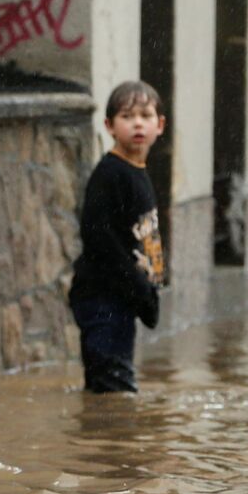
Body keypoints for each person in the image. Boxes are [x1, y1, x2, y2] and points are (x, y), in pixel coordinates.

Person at [68, 81, 167, 393]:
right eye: (127, 116)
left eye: (145, 115)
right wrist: (140, 290)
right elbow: (98, 239)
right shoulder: (110, 174)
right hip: (102, 298)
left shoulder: (138, 172)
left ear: (160, 125)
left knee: (113, 386)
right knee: (113, 389)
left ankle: (108, 436)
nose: (137, 123)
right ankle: (109, 441)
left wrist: (149, 289)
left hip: (121, 298)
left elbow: (141, 237)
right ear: (109, 126)